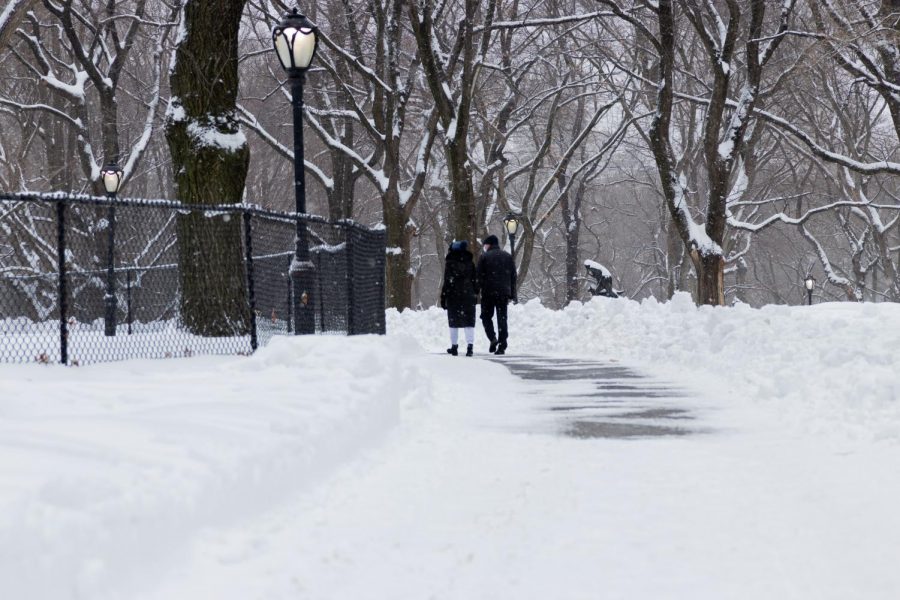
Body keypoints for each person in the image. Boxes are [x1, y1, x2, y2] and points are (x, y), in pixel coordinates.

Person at [477, 234, 517, 355]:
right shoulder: (508, 257)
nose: (484, 247)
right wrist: (512, 293)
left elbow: (478, 276)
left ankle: (492, 338)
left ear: (488, 245)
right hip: (503, 292)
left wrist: (476, 291)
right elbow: (513, 276)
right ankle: (502, 344)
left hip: (488, 292)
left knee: (486, 317)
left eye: (485, 245)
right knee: (502, 317)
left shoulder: (484, 257)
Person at [440, 240, 478, 357]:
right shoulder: (470, 263)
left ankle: (454, 346)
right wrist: (475, 292)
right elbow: (475, 280)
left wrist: (444, 296)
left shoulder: (450, 263)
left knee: (453, 322)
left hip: (453, 294)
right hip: (468, 294)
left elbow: (447, 281)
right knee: (469, 322)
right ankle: (470, 347)